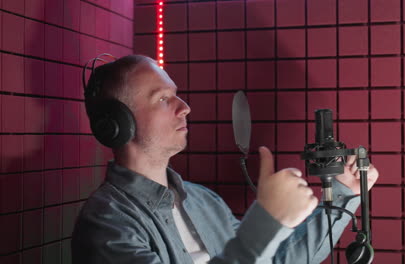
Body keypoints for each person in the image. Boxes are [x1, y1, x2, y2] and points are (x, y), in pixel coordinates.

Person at [71, 54, 379, 264]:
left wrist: (344, 194)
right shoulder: (106, 225)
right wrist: (267, 221)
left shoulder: (204, 202)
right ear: (118, 124)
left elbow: (278, 259)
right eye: (163, 99)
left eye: (176, 94)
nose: (184, 107)